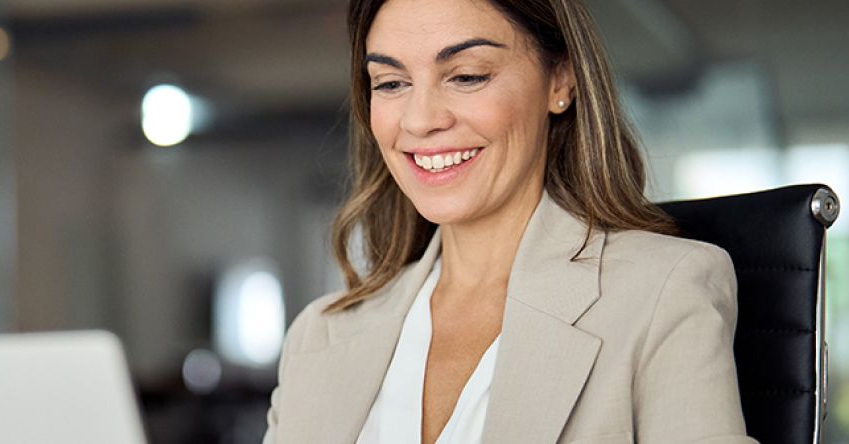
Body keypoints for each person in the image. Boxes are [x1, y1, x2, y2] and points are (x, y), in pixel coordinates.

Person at [262, 0, 755, 442]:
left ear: (560, 80)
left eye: (467, 76)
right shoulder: (318, 335)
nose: (420, 120)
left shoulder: (661, 293)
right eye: (391, 83)